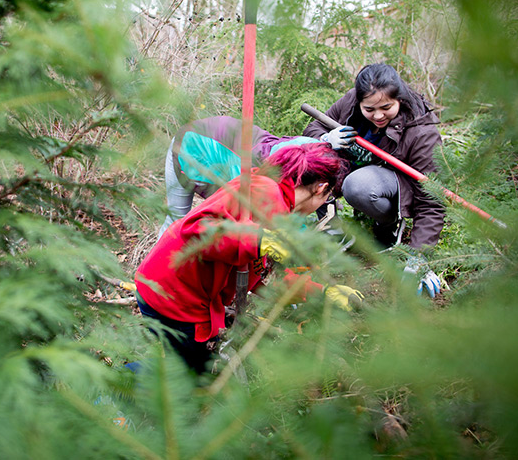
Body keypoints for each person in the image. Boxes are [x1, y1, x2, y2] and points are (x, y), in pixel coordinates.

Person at [135, 143, 364, 374]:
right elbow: (196, 229)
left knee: (192, 366)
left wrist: (321, 292)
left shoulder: (278, 204)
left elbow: (265, 277)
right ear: (321, 188)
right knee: (186, 374)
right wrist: (255, 239)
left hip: (176, 289)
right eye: (328, 197)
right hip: (174, 293)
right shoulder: (264, 191)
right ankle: (112, 389)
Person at [303, 63, 445, 297]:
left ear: (398, 98)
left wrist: (419, 256)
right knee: (313, 154)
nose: (378, 115)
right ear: (359, 101)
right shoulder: (351, 101)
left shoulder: (422, 130)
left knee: (358, 186)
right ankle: (333, 228)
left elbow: (431, 199)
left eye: (386, 107)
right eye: (369, 109)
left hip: (392, 182)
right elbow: (315, 127)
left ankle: (388, 225)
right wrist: (325, 138)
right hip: (356, 166)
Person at [159, 115, 319, 238]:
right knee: (176, 223)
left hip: (220, 146)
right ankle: (148, 277)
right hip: (189, 148)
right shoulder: (258, 178)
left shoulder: (294, 157)